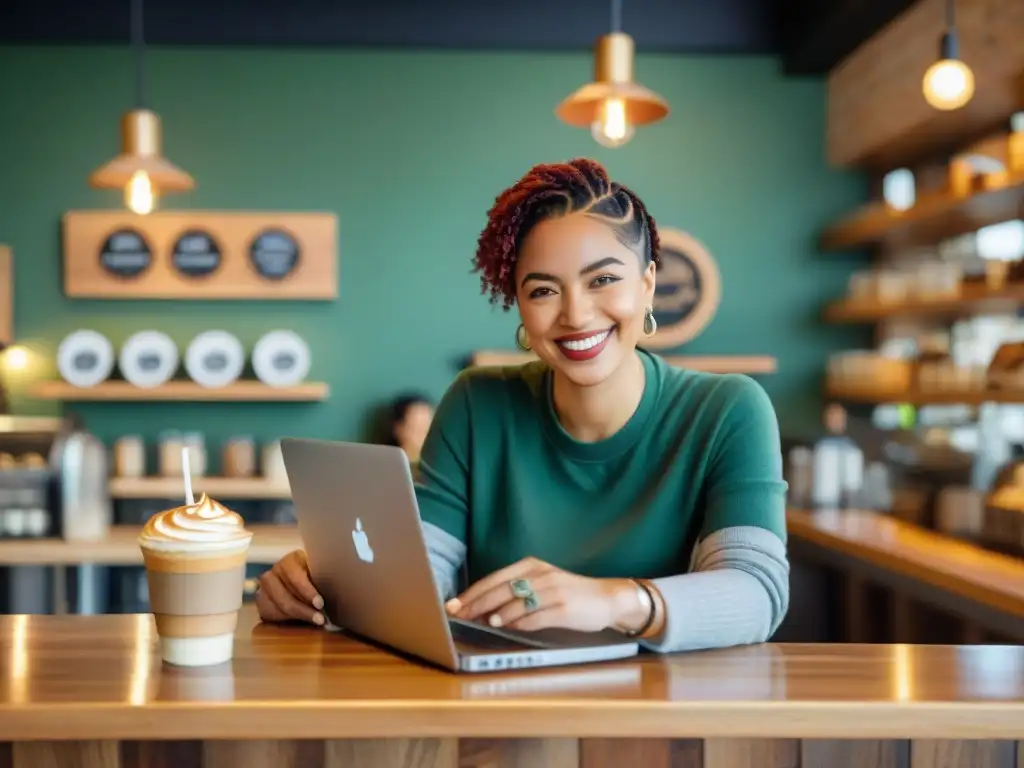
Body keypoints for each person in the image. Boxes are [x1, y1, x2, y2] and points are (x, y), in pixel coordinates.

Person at [257, 158, 790, 653]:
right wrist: (323, 590)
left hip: (662, 712)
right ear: (518, 305)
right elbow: (420, 577)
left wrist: (612, 600)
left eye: (603, 279)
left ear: (648, 285)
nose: (576, 314)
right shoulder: (476, 403)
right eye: (542, 291)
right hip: (504, 709)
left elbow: (756, 592)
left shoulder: (728, 410)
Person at [384, 392, 435, 472]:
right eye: (418, 429)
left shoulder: (441, 469)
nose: (426, 435)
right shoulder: (385, 468)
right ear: (398, 429)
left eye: (429, 427)